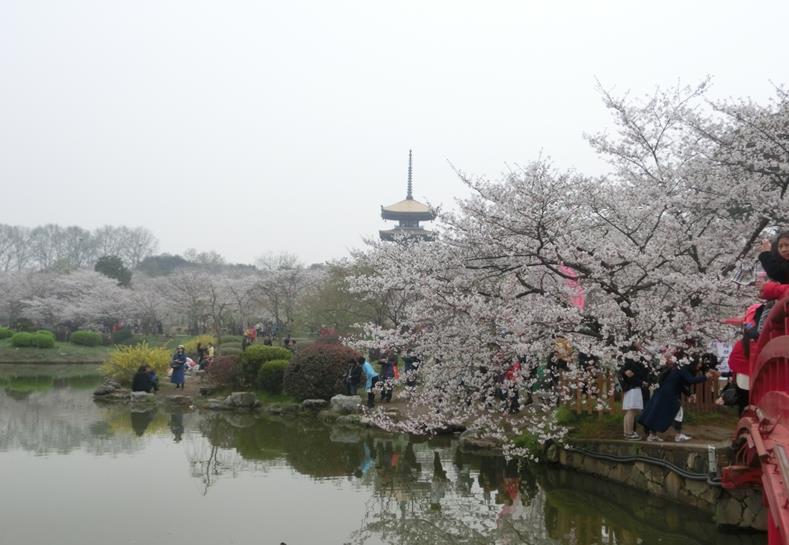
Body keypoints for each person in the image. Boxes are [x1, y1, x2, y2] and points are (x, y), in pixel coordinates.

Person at [638, 351, 717, 442]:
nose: (699, 366)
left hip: (664, 393)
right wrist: (705, 377)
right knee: (678, 413)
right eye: (698, 363)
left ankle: (652, 435)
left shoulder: (681, 368)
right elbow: (691, 380)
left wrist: (689, 394)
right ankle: (678, 435)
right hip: (668, 394)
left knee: (657, 413)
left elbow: (680, 384)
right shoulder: (683, 368)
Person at [618, 346, 649, 440]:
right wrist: (642, 382)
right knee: (632, 411)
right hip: (634, 389)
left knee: (629, 411)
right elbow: (630, 376)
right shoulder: (630, 362)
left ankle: (627, 433)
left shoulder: (626, 363)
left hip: (630, 389)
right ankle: (630, 433)